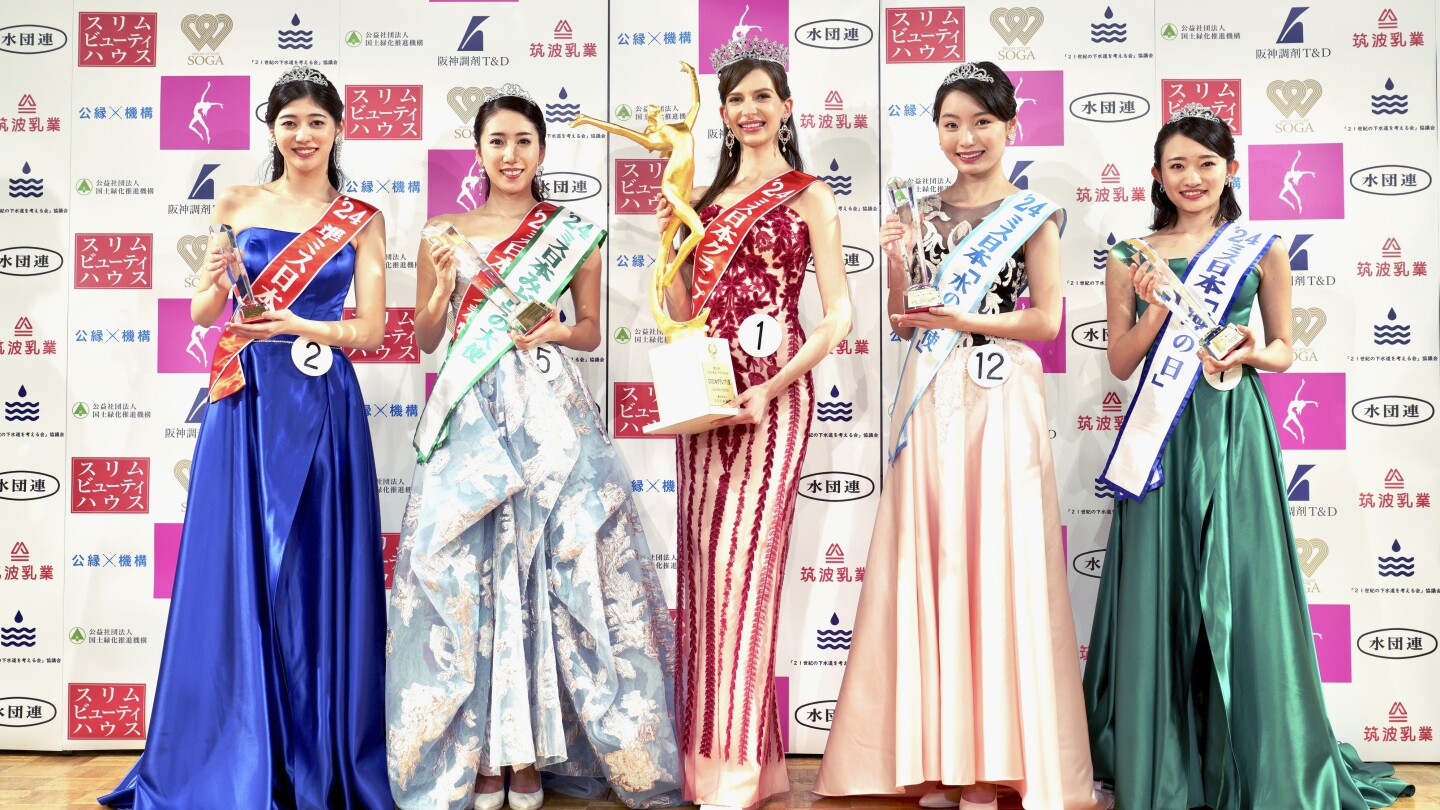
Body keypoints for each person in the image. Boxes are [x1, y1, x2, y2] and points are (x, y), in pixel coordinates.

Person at [1084, 103, 1415, 810]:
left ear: (1231, 168)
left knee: (1242, 587)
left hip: (1233, 426)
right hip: (1161, 439)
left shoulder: (1259, 246)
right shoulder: (1130, 256)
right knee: (1164, 593)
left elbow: (1285, 351)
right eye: (1178, 165)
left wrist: (1247, 348)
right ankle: (1165, 765)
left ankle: (1256, 759)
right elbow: (1118, 361)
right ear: (1157, 175)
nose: (1192, 177)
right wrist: (1155, 312)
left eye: (1207, 163)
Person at [813, 61, 1103, 810]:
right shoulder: (920, 211)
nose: (965, 137)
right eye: (951, 123)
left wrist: (967, 320)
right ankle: (937, 761)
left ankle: (992, 766)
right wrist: (899, 261)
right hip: (932, 391)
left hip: (1001, 395)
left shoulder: (1033, 214)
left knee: (996, 566)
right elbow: (905, 320)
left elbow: (1045, 322)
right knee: (934, 563)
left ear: (1012, 126)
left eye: (981, 121)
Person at [384, 84, 683, 810]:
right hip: (471, 413)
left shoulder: (572, 230)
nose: (510, 155)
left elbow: (588, 332)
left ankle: (531, 757)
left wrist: (549, 330)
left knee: (548, 572)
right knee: (466, 575)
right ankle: (483, 756)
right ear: (478, 152)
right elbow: (427, 338)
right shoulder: (442, 232)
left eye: (523, 141)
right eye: (497, 142)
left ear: (541, 150)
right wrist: (439, 294)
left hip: (549, 409)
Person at [100, 66, 390, 809]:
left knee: (314, 572)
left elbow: (372, 328)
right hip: (247, 401)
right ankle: (239, 754)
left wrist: (299, 323)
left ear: (338, 129)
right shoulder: (235, 200)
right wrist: (216, 275)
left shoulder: (360, 216)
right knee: (242, 569)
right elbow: (203, 313)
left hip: (322, 399)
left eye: (317, 122)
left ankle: (313, 756)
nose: (303, 135)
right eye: (289, 122)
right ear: (272, 129)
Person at [655, 37, 852, 810]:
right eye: (735, 100)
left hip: (775, 400)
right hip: (706, 398)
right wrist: (671, 239)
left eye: (762, 97)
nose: (749, 111)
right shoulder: (700, 202)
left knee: (746, 575)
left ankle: (734, 776)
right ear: (723, 113)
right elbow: (680, 317)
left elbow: (836, 317)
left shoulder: (809, 195)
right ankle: (721, 765)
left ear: (787, 107)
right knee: (704, 579)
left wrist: (775, 386)